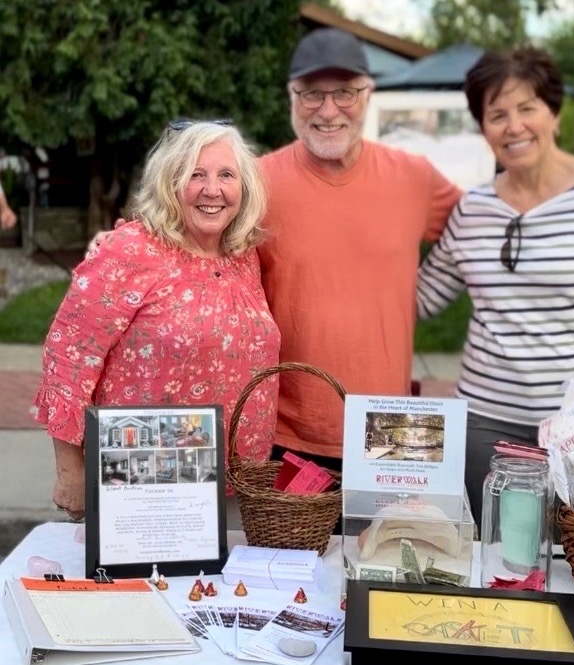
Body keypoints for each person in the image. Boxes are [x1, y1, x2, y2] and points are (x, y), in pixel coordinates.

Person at [97, 28, 462, 476]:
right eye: (311, 94)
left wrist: (427, 293)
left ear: (367, 95)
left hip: (394, 424)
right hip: (284, 429)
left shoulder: (415, 178)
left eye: (345, 92)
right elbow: (186, 234)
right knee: (289, 547)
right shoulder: (256, 183)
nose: (328, 111)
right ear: (291, 98)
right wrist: (120, 242)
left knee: (401, 546)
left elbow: (480, 226)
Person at [416, 47, 574, 529]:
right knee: (492, 559)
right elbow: (422, 298)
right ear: (482, 127)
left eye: (527, 108)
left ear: (554, 112)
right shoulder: (473, 210)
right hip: (486, 427)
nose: (514, 126)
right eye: (497, 114)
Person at [32, 120, 281, 520]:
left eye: (226, 175)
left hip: (238, 486)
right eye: (195, 175)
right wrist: (70, 471)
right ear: (170, 183)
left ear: (243, 187)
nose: (212, 190)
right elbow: (69, 357)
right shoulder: (130, 249)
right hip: (143, 486)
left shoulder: (242, 257)